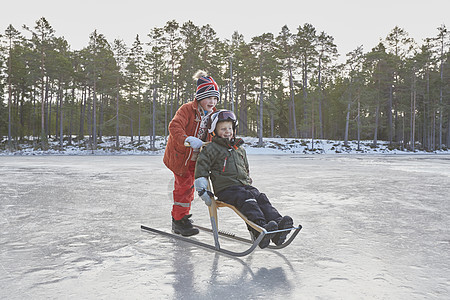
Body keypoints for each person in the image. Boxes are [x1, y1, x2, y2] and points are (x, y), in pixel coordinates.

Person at [193, 110, 294, 248]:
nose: (227, 131)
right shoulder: (211, 148)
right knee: (248, 199)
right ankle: (259, 230)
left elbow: (245, 168)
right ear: (214, 131)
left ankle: (278, 228)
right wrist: (202, 189)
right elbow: (201, 169)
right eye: (223, 129)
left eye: (230, 128)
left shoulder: (239, 149)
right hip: (226, 189)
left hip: (243, 186)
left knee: (261, 198)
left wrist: (247, 181)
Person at [163, 70, 219, 237]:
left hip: (199, 158)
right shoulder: (187, 109)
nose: (212, 101)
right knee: (184, 188)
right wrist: (187, 139)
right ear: (200, 97)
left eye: (215, 98)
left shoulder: (214, 115)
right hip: (181, 157)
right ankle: (179, 221)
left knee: (194, 188)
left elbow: (217, 134)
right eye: (209, 97)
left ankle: (182, 217)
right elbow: (174, 126)